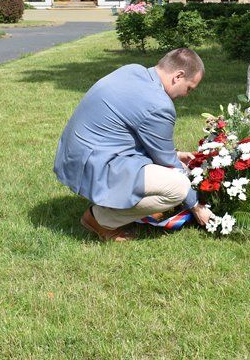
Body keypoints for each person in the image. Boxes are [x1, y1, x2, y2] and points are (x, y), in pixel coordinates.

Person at [54, 48, 214, 242]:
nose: (187, 94)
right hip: (94, 165)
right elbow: (168, 163)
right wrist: (196, 205)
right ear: (178, 76)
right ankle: (99, 218)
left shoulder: (133, 70)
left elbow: (135, 129)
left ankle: (124, 206)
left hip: (73, 156)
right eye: (189, 88)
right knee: (178, 187)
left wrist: (174, 154)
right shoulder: (159, 104)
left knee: (171, 172)